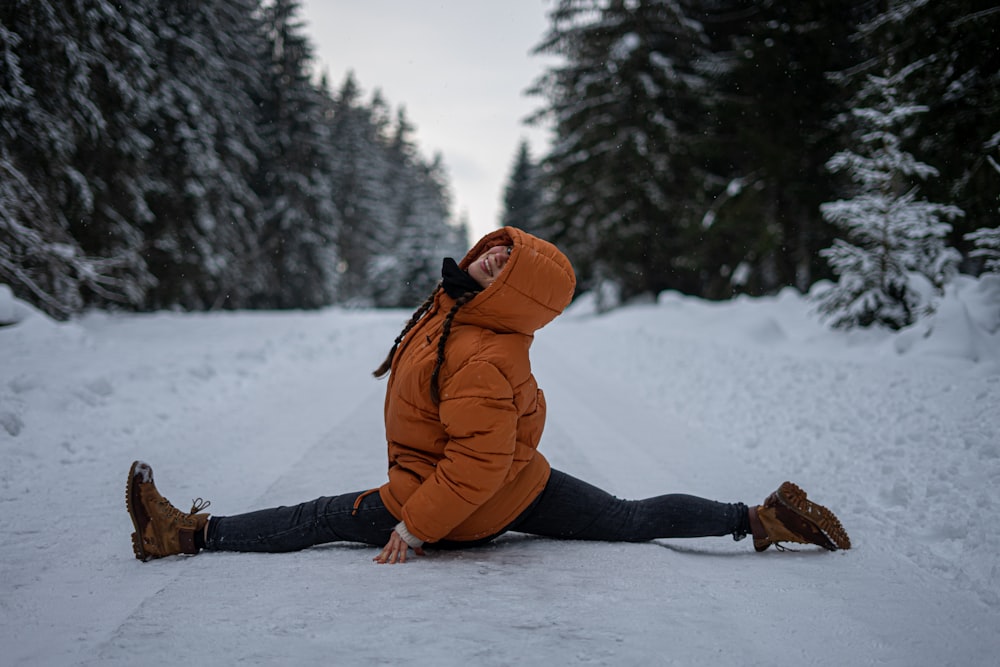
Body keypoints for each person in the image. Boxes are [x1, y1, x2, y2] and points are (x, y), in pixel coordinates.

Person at [126, 227, 851, 564]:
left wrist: (416, 526)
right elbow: (511, 434)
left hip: (449, 499)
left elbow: (476, 458)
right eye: (494, 251)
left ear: (511, 297)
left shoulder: (477, 345)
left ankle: (186, 534)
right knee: (627, 518)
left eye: (503, 266)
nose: (487, 259)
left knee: (319, 516)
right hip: (520, 485)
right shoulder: (461, 314)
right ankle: (758, 519)